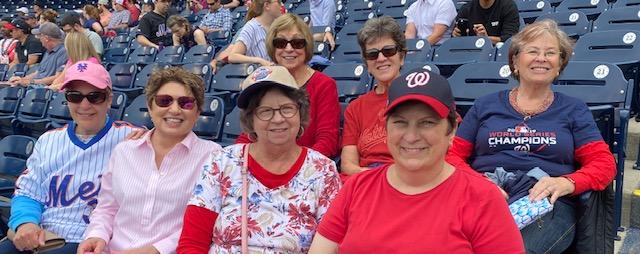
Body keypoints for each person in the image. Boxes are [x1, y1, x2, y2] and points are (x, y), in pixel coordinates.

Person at [308, 68, 525, 253]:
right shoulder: (356, 188)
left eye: (427, 123)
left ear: (451, 130)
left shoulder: (483, 199)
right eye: (400, 123)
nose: (411, 136)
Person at [446, 20, 616, 253]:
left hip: (545, 202)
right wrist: (478, 184)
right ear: (515, 61)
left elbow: (604, 164)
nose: (542, 58)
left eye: (551, 53)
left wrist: (567, 182)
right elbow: (451, 155)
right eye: (533, 51)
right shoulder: (485, 105)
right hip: (483, 193)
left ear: (560, 64)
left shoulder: (574, 109)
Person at [177, 66, 341, 253]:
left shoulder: (323, 170)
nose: (278, 119)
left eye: (287, 109)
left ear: (300, 112)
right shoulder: (222, 162)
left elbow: (330, 244)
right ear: (250, 120)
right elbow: (192, 243)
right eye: (265, 111)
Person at [77, 67, 222, 254]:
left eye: (186, 103)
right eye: (164, 101)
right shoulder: (124, 151)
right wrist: (96, 236)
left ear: (197, 111)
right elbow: (107, 207)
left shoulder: (213, 157)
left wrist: (156, 250)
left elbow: (208, 223)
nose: (175, 109)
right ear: (150, 107)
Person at [0, 61, 137, 253]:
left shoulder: (134, 139)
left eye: (95, 96)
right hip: (45, 236)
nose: (84, 105)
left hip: (92, 241)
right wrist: (26, 222)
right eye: (75, 96)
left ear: (109, 99)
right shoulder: (48, 140)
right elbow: (27, 193)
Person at [236, 13, 340, 158]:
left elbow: (327, 140)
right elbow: (250, 133)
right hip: (265, 162)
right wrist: (235, 160)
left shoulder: (324, 85)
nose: (289, 49)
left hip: (306, 167)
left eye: (297, 43)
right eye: (280, 43)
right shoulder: (265, 81)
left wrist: (299, 167)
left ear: (307, 46)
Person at [340, 16, 405, 175]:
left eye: (388, 51)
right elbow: (348, 165)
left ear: (401, 57)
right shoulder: (356, 108)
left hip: (406, 178)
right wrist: (374, 179)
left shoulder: (421, 96)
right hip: (365, 178)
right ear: (366, 64)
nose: (381, 59)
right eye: (372, 54)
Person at [9, 22, 66, 87]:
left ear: (46, 38)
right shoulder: (48, 51)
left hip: (45, 90)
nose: (37, 38)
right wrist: (22, 80)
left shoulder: (63, 52)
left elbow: (58, 78)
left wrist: (32, 82)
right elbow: (38, 73)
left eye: (39, 35)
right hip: (36, 85)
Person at [227, 0, 282, 66]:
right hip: (261, 73)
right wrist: (259, 60)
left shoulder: (278, 26)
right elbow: (233, 56)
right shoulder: (251, 27)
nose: (281, 5)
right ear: (267, 5)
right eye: (278, 2)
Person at [452, 0, 520, 45]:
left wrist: (486, 39)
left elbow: (510, 40)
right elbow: (454, 39)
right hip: (470, 52)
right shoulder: (466, 9)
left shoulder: (508, 6)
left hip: (498, 54)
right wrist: (456, 35)